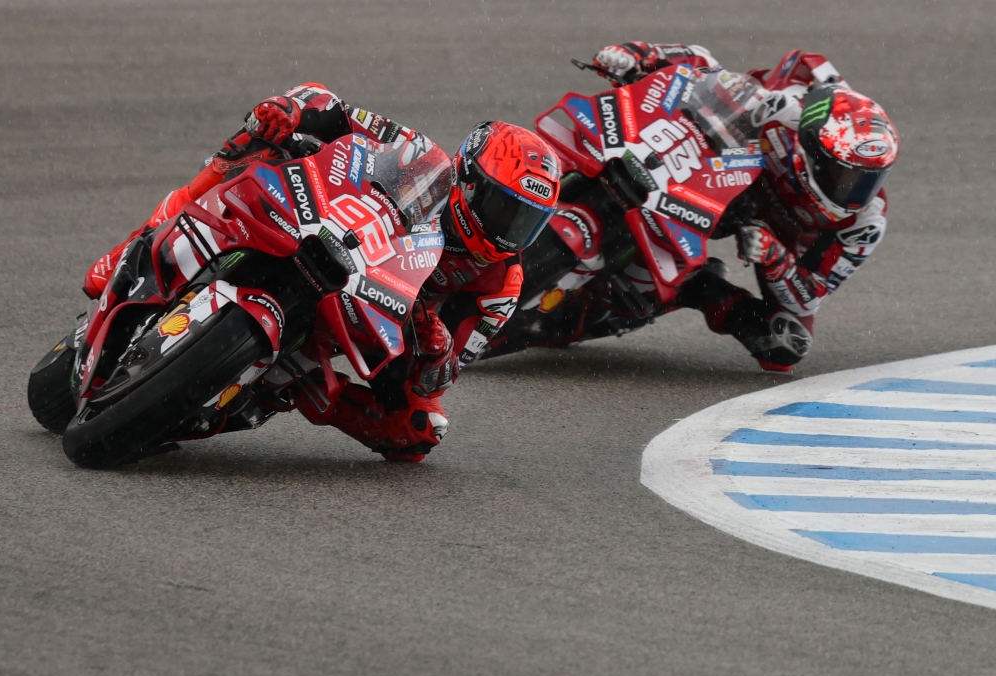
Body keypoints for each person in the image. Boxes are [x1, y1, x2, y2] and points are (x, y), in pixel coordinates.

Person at [82, 84, 560, 460]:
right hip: (323, 230)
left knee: (420, 431)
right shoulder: (418, 155)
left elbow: (438, 379)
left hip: (373, 317)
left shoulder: (501, 284)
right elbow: (332, 105)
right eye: (504, 209)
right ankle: (152, 232)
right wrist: (288, 112)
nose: (508, 231)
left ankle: (296, 387)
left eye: (525, 222)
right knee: (261, 141)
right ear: (470, 179)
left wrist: (435, 351)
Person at [588, 42, 900, 372]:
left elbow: (810, 296)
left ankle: (695, 289)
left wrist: (774, 258)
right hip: (729, 177)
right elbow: (705, 67)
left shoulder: (864, 223)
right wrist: (641, 55)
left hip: (777, 236)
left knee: (785, 343)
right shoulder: (788, 106)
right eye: (844, 175)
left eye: (869, 179)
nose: (856, 192)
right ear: (812, 150)